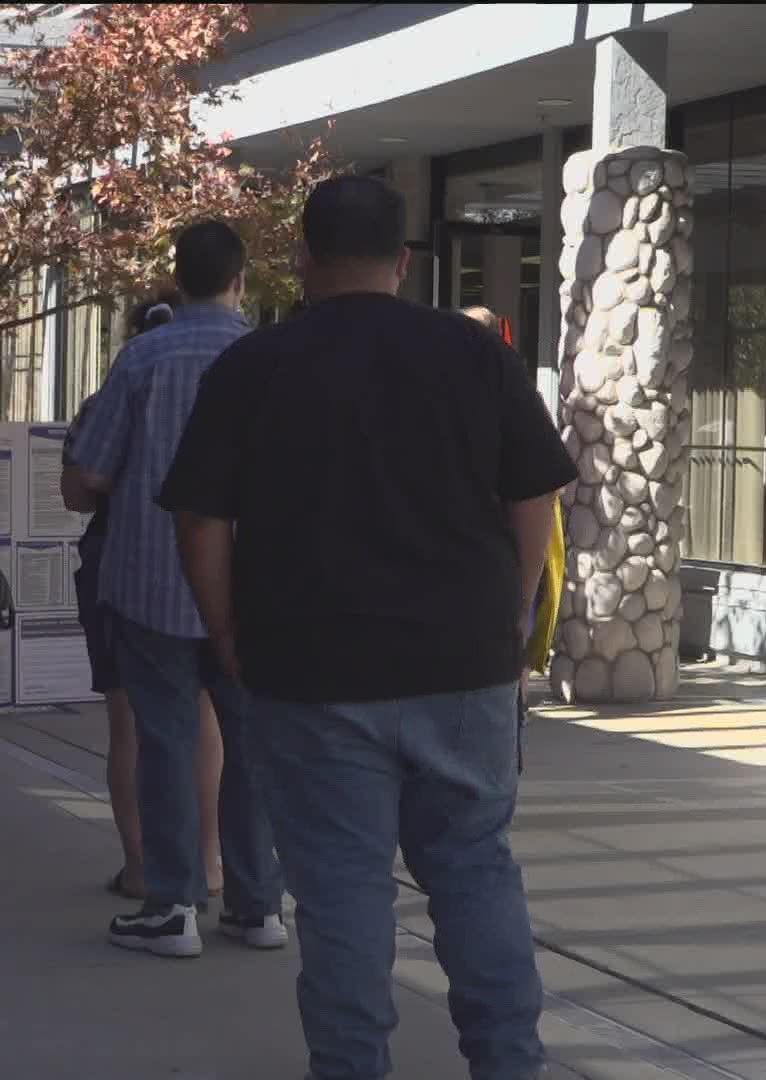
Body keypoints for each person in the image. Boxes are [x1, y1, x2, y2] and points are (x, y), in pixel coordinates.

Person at [158, 176, 576, 1078]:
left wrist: (227, 632)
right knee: (474, 871)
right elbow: (532, 493)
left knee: (342, 895)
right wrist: (506, 612)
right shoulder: (475, 356)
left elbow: (199, 522)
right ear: (406, 260)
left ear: (302, 258)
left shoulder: (255, 366)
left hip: (310, 667)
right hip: (462, 661)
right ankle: (509, 1063)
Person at [66, 222, 285, 959]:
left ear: (178, 278)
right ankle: (257, 906)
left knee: (164, 742)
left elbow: (89, 476)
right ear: (241, 281)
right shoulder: (272, 360)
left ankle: (171, 905)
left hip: (150, 582)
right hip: (256, 584)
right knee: (252, 747)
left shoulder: (142, 357)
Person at [64, 295, 226, 904]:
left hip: (133, 566)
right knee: (210, 717)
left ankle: (145, 870)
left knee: (133, 721)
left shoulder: (122, 380)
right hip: (221, 562)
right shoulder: (245, 360)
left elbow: (82, 486)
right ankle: (211, 865)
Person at [460, 305, 567, 772]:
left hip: (483, 566)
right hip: (509, 564)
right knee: (512, 659)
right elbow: (542, 493)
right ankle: (508, 746)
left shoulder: (439, 397)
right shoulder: (516, 397)